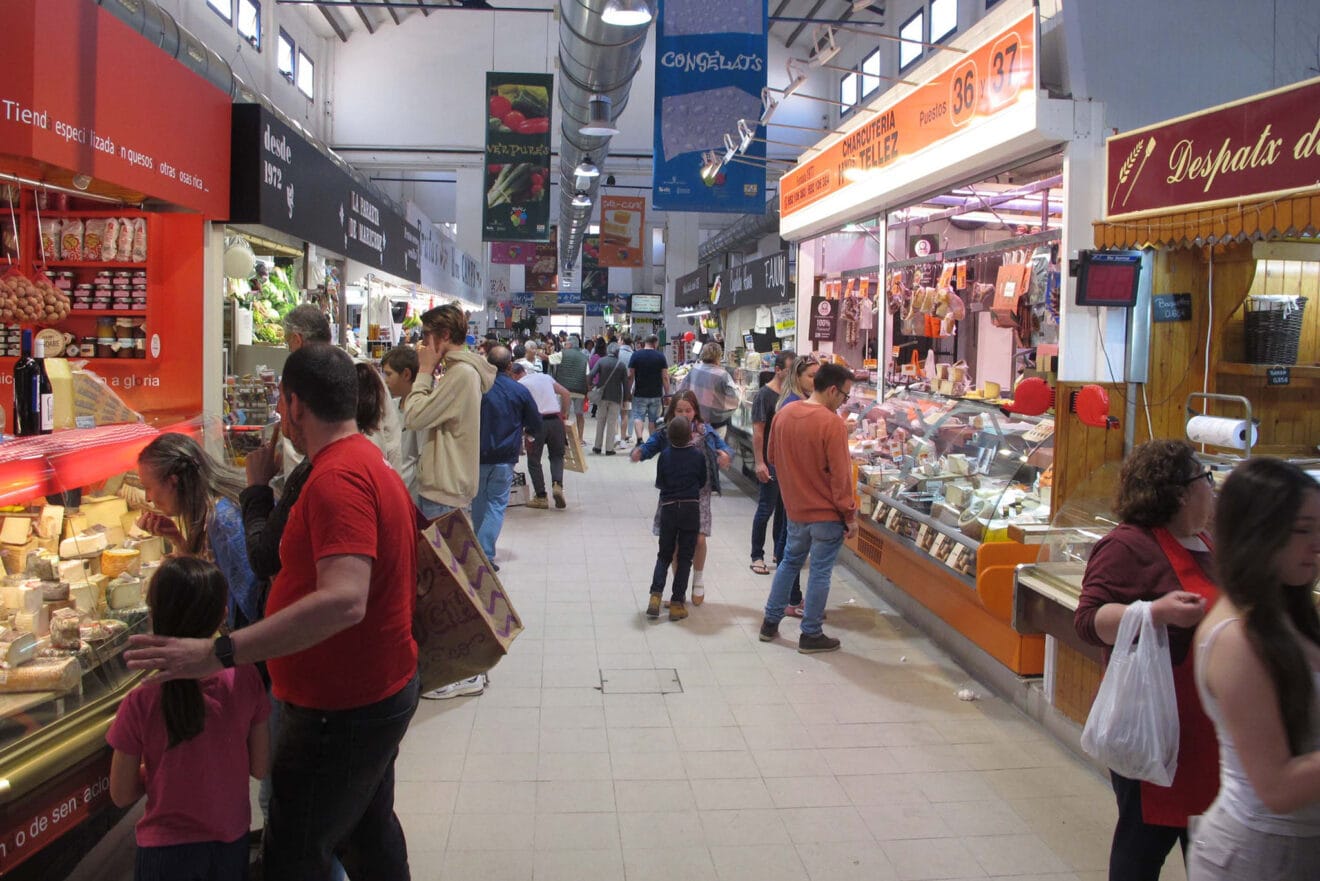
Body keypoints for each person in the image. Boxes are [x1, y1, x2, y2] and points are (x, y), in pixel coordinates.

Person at [125, 343, 421, 880]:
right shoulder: (362, 460)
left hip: (341, 706)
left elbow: (344, 598)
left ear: (295, 405)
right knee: (367, 834)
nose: (281, 417)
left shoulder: (337, 479)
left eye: (283, 407)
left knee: (294, 853)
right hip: (371, 690)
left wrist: (220, 652)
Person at [1074, 440, 1219, 881]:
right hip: (1156, 729)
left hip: (1209, 735)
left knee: (1212, 849)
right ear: (1180, 492)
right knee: (1142, 848)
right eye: (1205, 479)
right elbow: (1087, 620)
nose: (1211, 489)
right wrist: (1154, 613)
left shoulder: (1207, 542)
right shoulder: (1127, 546)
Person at [1186, 458, 1320, 880]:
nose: (1317, 544)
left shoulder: (1289, 611)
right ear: (1258, 533)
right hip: (1260, 855)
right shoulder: (1236, 639)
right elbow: (1276, 787)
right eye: (1303, 530)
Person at [108, 558, 270, 881]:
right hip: (230, 842)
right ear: (223, 614)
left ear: (154, 616)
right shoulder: (246, 679)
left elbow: (121, 793)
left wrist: (159, 771)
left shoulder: (140, 699)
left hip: (164, 853)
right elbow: (260, 766)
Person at [759, 362, 857, 654]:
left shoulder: (784, 413)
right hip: (826, 514)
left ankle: (769, 623)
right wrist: (850, 514)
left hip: (795, 510)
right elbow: (841, 478)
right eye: (844, 396)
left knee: (789, 562)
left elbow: (773, 457)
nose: (844, 402)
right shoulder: (832, 424)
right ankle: (810, 633)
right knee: (820, 572)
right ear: (831, 390)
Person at [137, 433, 259, 631]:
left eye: (148, 487)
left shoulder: (224, 519)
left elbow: (250, 602)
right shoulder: (214, 512)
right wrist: (176, 538)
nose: (148, 498)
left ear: (172, 482)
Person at [631, 391, 732, 605]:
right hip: (673, 493)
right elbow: (650, 447)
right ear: (672, 411)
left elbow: (724, 448)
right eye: (680, 410)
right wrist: (640, 453)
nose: (685, 414)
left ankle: (698, 579)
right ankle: (680, 591)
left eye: (688, 410)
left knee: (699, 538)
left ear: (695, 411)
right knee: (675, 544)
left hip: (699, 493)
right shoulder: (667, 432)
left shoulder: (706, 432)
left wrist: (725, 455)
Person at [403, 303, 498, 520]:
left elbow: (413, 417)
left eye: (426, 334)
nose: (423, 342)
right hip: (446, 490)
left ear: (444, 335)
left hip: (444, 494)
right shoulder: (459, 371)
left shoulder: (461, 374)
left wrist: (425, 371)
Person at [473, 345, 541, 563]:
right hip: (505, 456)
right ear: (510, 365)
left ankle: (478, 551)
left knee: (479, 501)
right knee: (496, 504)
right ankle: (485, 553)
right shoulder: (519, 390)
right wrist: (528, 433)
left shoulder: (477, 388)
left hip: (477, 454)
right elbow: (535, 423)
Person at [643, 416, 708, 622]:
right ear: (691, 435)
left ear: (669, 437)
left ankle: (655, 596)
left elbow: (660, 482)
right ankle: (678, 603)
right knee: (685, 558)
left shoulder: (665, 456)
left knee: (664, 554)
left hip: (669, 509)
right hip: (690, 509)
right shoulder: (697, 456)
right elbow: (702, 480)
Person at [750, 351, 795, 576]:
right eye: (791, 370)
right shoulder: (764, 395)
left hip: (787, 463)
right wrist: (760, 462)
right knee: (766, 508)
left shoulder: (792, 395)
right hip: (770, 461)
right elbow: (758, 433)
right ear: (778, 370)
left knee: (784, 510)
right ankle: (757, 555)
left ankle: (779, 552)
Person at [514, 360, 572, 510]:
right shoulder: (545, 377)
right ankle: (557, 485)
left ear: (513, 375)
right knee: (557, 456)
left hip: (536, 424)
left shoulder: (519, 385)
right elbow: (566, 393)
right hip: (555, 420)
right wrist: (564, 414)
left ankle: (541, 497)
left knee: (534, 460)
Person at [381, 345, 421, 499]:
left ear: (406, 374)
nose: (385, 380)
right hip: (391, 484)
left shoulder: (420, 410)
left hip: (412, 494)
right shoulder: (391, 405)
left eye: (389, 374)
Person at [680, 342, 740, 436]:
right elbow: (734, 401)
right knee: (714, 449)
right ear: (718, 356)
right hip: (715, 425)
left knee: (697, 447)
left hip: (695, 421)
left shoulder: (694, 369)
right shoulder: (722, 374)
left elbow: (682, 391)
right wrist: (738, 385)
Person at [587, 342, 628, 455]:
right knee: (611, 422)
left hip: (602, 396)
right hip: (616, 397)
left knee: (600, 421)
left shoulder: (601, 361)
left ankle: (597, 447)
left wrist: (590, 386)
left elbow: (591, 374)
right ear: (617, 352)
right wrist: (625, 400)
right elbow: (625, 384)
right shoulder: (621, 365)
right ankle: (609, 449)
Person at [629, 334, 670, 445]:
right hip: (656, 394)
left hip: (639, 393)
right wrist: (667, 394)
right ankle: (652, 442)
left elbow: (630, 375)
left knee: (638, 416)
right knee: (653, 419)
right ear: (655, 343)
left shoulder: (636, 355)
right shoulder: (660, 357)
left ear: (645, 342)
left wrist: (628, 391)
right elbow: (665, 377)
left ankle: (639, 439)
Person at [556, 335, 590, 442]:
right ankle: (580, 438)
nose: (565, 345)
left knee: (564, 413)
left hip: (564, 390)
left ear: (570, 344)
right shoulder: (584, 357)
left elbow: (548, 359)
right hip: (579, 390)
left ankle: (563, 437)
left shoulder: (562, 354)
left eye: (566, 344)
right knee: (579, 414)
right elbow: (587, 375)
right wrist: (587, 390)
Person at [616, 334, 635, 446]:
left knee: (615, 411)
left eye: (619, 339)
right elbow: (634, 375)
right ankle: (626, 436)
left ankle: (616, 436)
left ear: (622, 341)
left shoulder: (616, 353)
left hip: (615, 387)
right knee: (627, 413)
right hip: (628, 387)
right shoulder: (633, 355)